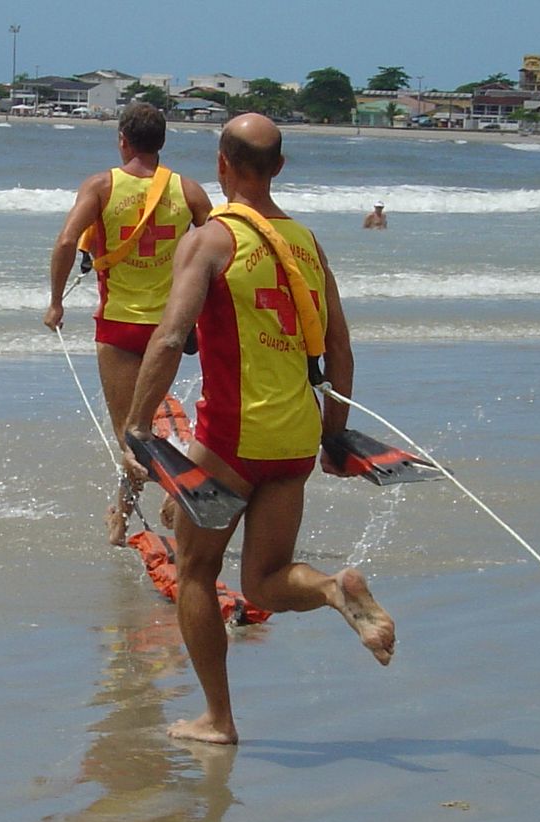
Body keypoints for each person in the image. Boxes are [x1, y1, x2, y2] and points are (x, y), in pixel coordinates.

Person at [121, 114, 396, 745]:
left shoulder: (211, 241)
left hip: (234, 436)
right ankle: (332, 589)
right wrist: (335, 434)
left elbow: (167, 338)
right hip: (296, 434)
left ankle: (218, 719)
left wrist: (138, 424)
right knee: (264, 579)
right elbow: (342, 351)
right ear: (278, 169)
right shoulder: (305, 242)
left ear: (221, 165)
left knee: (194, 571)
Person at [44, 102, 213, 545]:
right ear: (161, 142)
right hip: (171, 330)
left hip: (119, 327)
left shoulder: (101, 186)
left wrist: (55, 302)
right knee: (140, 432)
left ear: (122, 139)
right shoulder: (189, 191)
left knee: (130, 437)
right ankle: (125, 513)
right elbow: (223, 248)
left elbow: (65, 241)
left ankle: (160, 503)